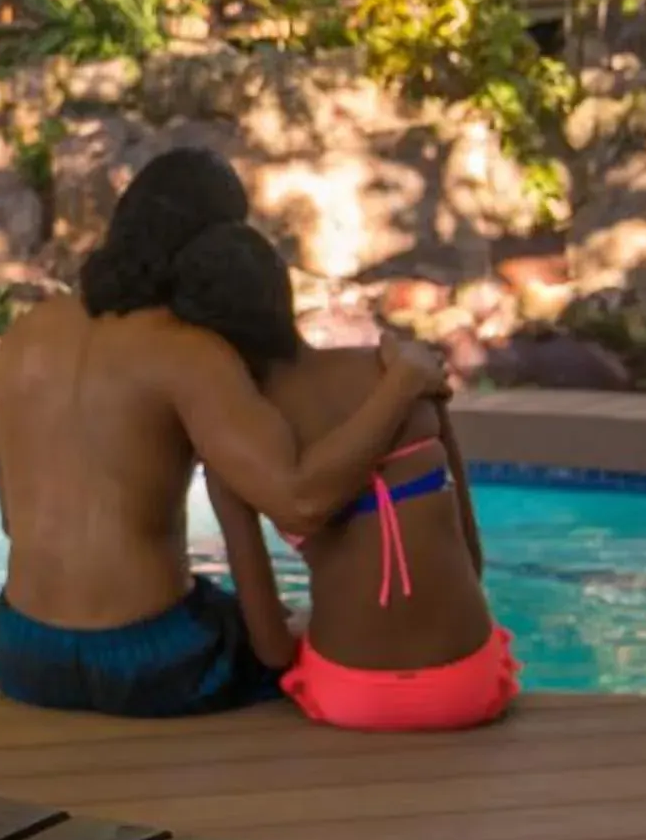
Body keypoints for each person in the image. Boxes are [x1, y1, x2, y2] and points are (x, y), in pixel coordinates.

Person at [0, 147, 445, 717]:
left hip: (21, 650)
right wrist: (402, 383)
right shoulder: (188, 352)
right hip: (152, 661)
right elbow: (300, 502)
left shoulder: (24, 336)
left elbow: (10, 519)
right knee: (298, 639)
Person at [172, 223, 519, 732]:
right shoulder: (399, 371)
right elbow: (471, 559)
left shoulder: (237, 447)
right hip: (467, 685)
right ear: (282, 293)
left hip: (349, 694)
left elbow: (270, 648)